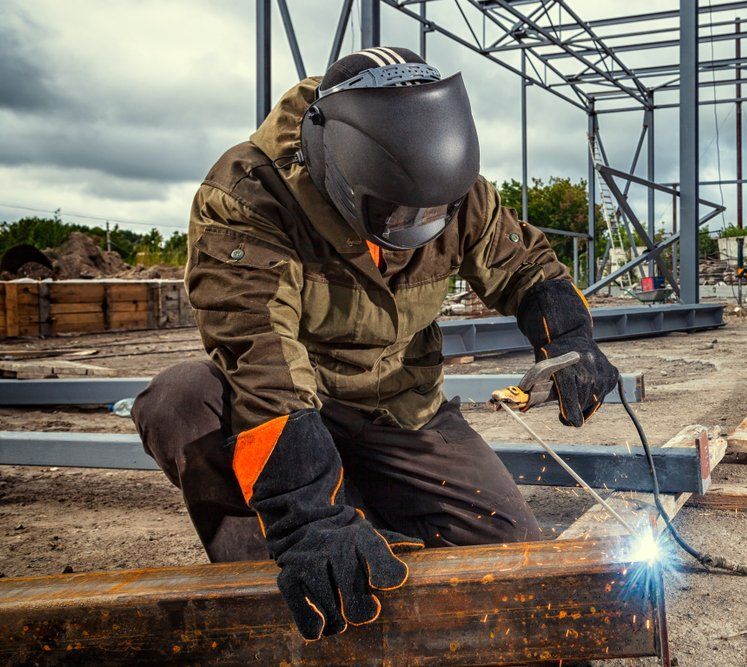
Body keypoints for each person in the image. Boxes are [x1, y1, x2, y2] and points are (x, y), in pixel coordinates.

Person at [132, 47, 619, 640]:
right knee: (181, 400)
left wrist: (568, 335)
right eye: (394, 213)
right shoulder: (248, 197)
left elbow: (526, 267)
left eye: (430, 212)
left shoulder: (450, 186)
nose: (410, 232)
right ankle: (271, 583)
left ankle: (361, 502)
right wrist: (308, 516)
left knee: (507, 547)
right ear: (339, 167)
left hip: (399, 407)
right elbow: (260, 361)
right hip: (293, 402)